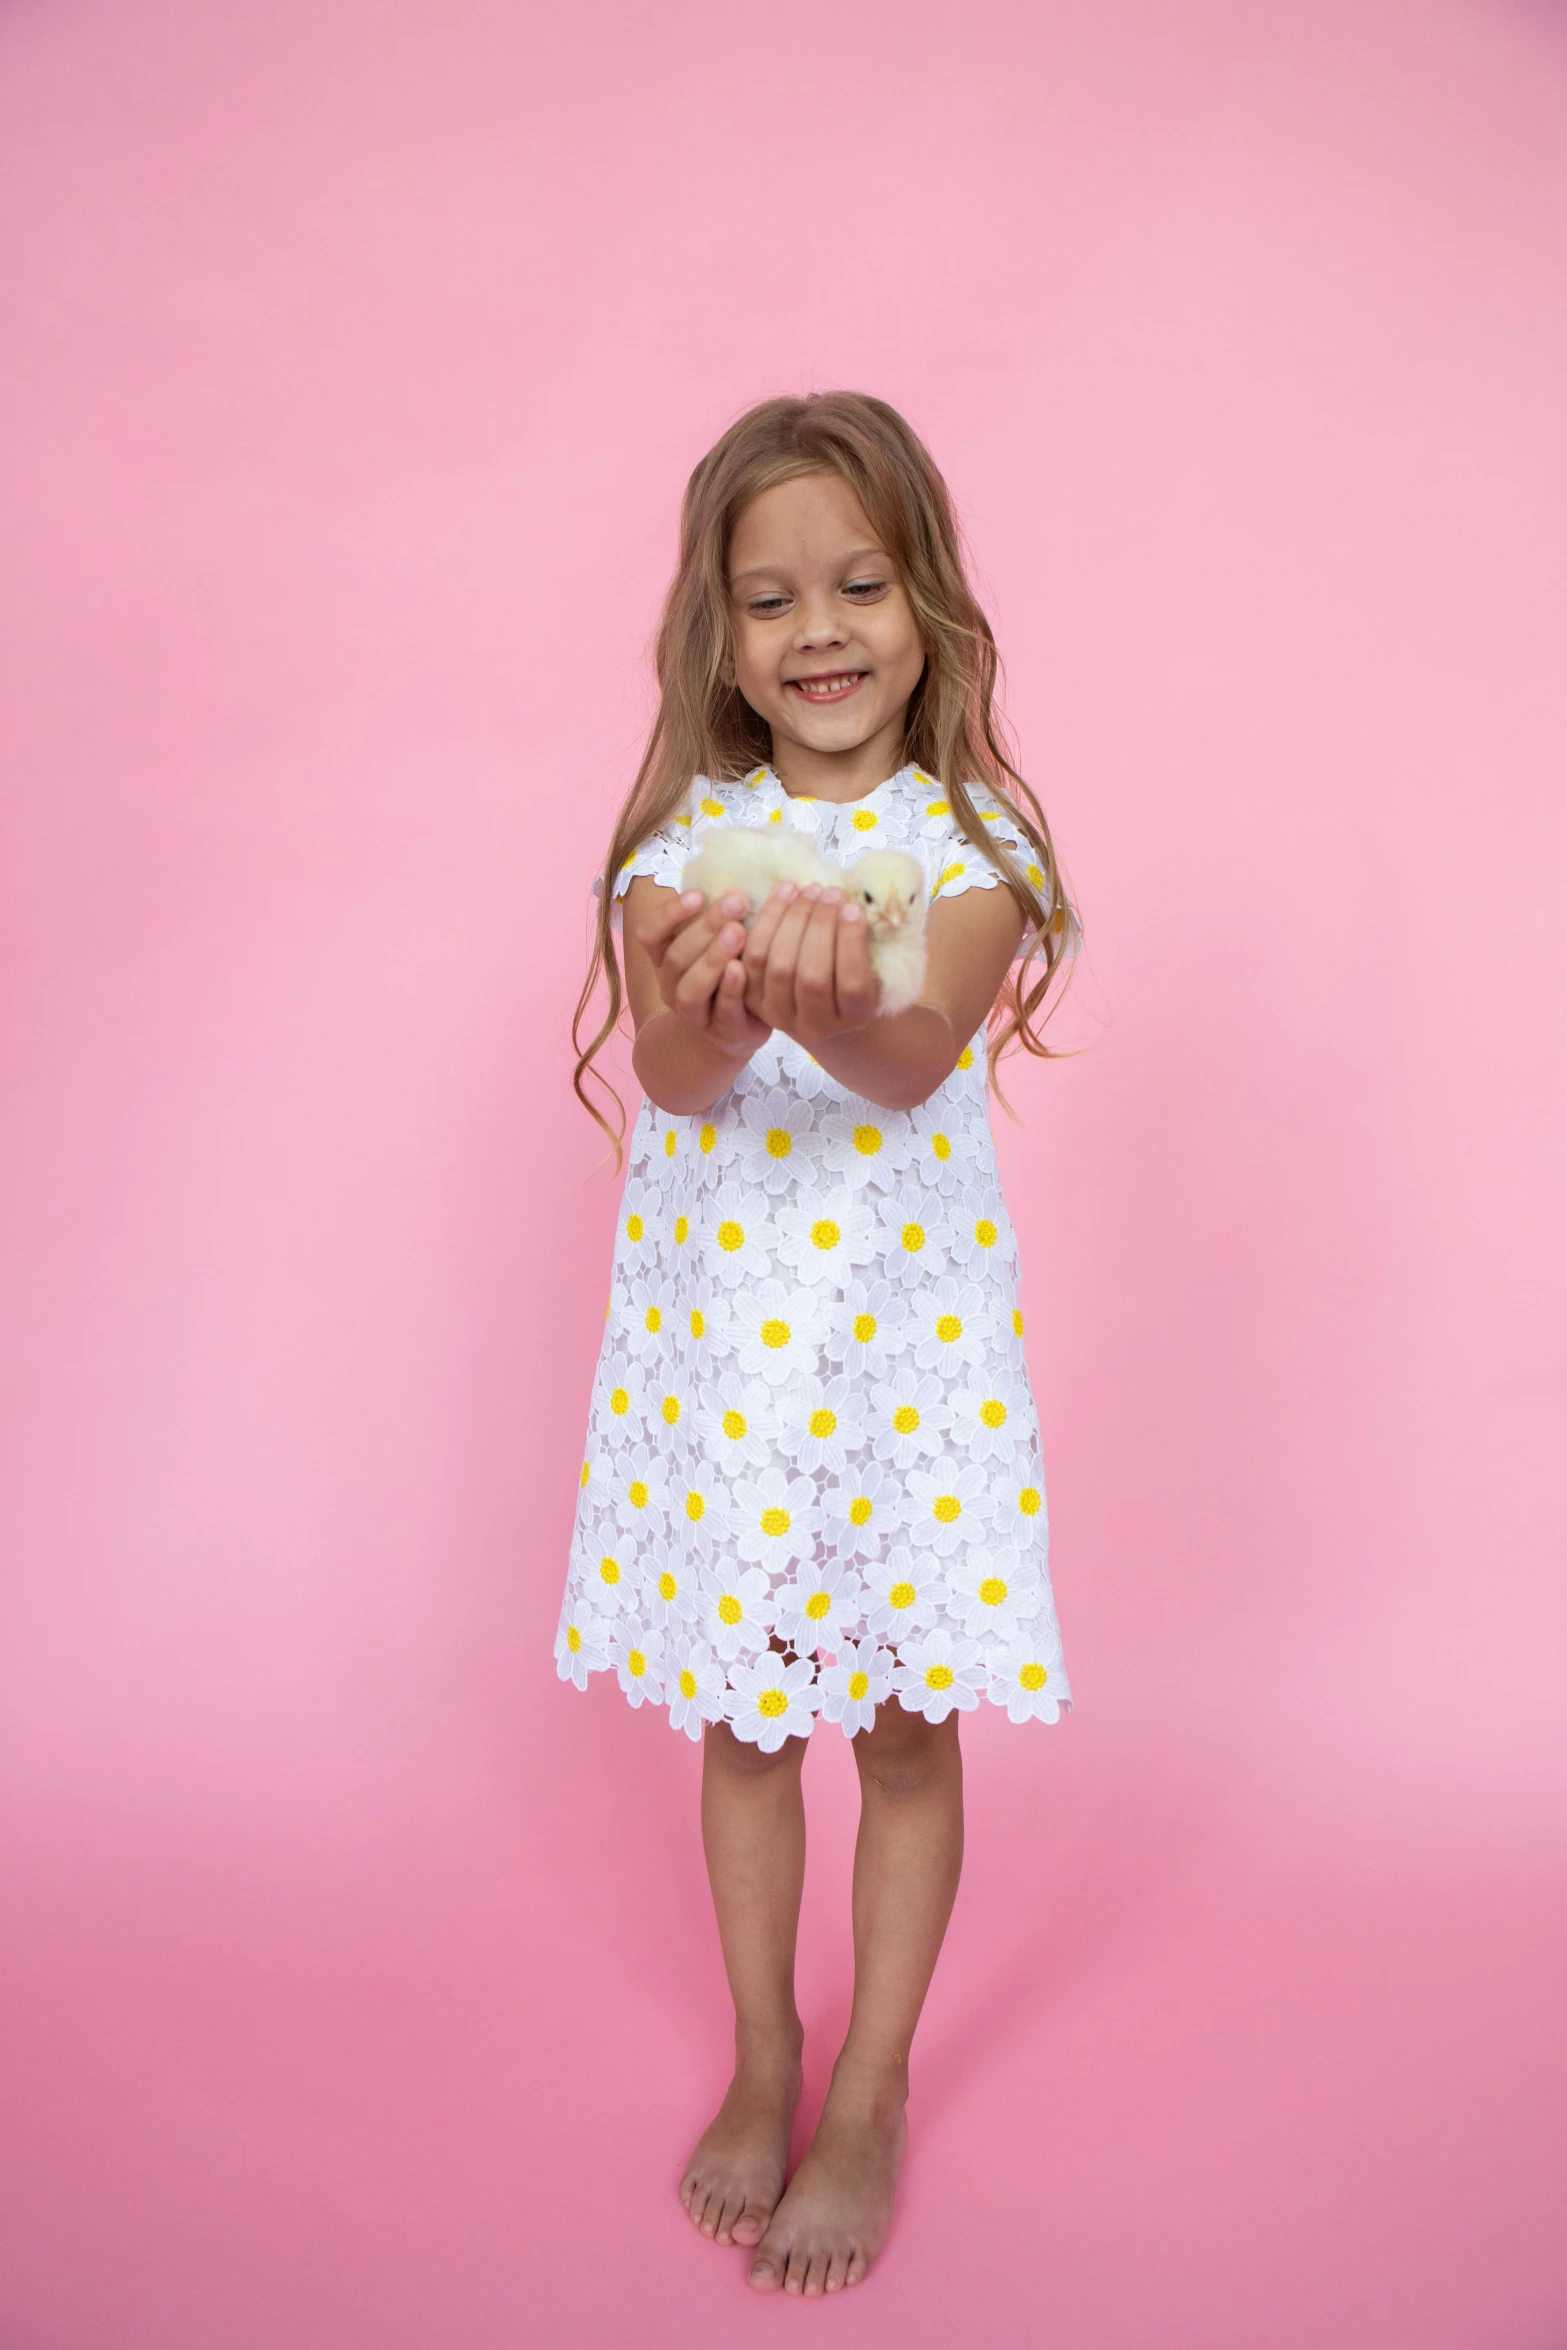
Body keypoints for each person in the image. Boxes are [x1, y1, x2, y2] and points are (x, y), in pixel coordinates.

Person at [557, 391, 1076, 2297]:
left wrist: (838, 998)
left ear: (927, 600)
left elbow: (915, 1042)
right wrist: (715, 996)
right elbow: (684, 1078)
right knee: (746, 1724)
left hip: (901, 1373)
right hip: (727, 1380)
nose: (821, 628)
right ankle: (765, 2050)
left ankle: (868, 2086)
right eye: (771, 598)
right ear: (719, 634)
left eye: (859, 581)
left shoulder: (974, 842)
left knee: (908, 1728)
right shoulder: (684, 849)